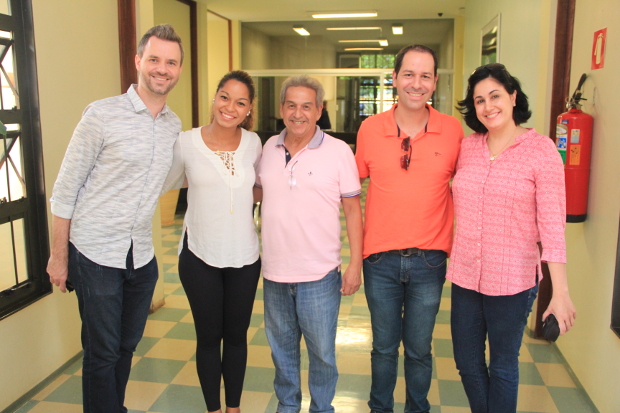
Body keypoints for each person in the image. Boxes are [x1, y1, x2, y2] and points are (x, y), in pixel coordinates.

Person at [46, 25, 183, 413]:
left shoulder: (173, 125)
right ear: (138, 61)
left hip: (140, 258)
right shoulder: (102, 114)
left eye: (171, 62)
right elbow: (65, 189)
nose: (162, 69)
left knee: (126, 346)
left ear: (178, 70)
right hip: (94, 255)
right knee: (101, 353)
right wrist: (59, 256)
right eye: (154, 59)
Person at [448, 63, 576, 413]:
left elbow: (552, 226)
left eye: (495, 96)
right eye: (479, 100)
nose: (488, 106)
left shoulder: (541, 150)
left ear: (513, 96)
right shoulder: (467, 148)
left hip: (513, 280)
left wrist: (559, 293)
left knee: (502, 365)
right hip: (465, 275)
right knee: (467, 361)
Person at [354, 45, 464, 413]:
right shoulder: (370, 129)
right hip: (380, 261)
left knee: (419, 350)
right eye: (409, 74)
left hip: (429, 262)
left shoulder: (452, 131)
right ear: (395, 78)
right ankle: (379, 409)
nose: (416, 83)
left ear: (434, 82)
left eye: (425, 76)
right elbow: (348, 190)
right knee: (383, 349)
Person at [255, 75, 363, 413]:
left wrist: (355, 264)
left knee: (322, 355)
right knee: (282, 354)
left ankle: (322, 408)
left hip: (320, 276)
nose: (298, 113)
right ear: (281, 108)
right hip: (274, 275)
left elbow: (353, 211)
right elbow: (255, 195)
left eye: (306, 106)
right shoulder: (267, 149)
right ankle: (287, 407)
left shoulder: (339, 152)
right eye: (291, 105)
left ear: (319, 110)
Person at [161, 70, 261, 413]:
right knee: (208, 339)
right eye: (224, 97)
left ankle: (233, 408)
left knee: (236, 338)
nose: (230, 107)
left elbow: (259, 187)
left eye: (240, 102)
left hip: (245, 259)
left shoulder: (254, 144)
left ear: (249, 110)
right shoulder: (186, 142)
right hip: (199, 255)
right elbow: (165, 182)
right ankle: (213, 410)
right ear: (214, 98)